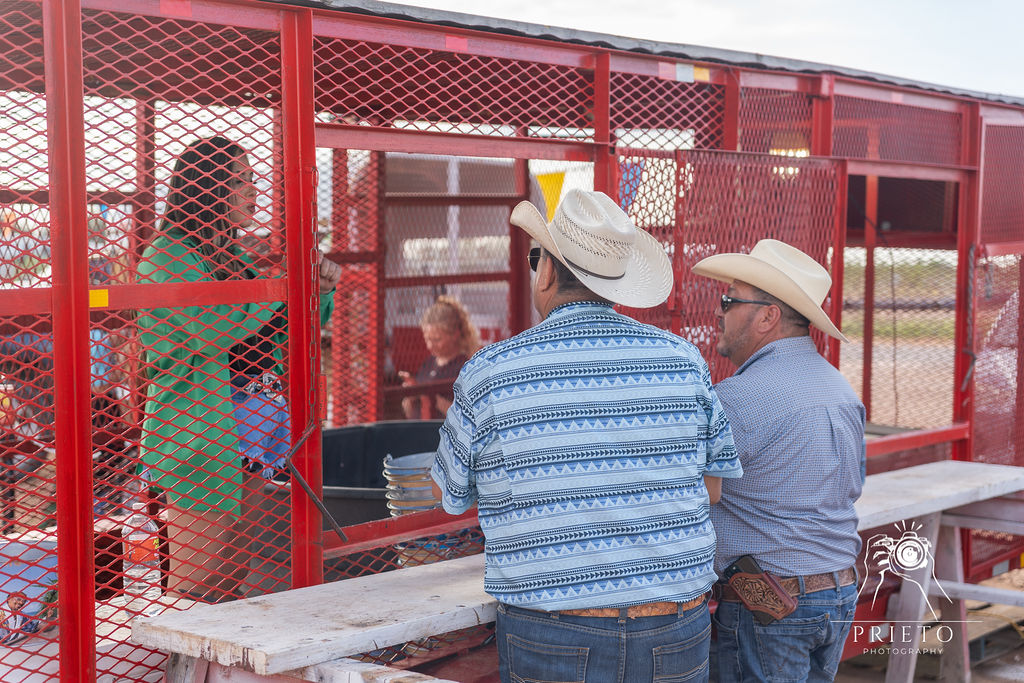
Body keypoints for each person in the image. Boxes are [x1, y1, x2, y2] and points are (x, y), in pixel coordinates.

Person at [430, 189, 742, 683]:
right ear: (616, 281)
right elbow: (714, 487)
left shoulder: (490, 372)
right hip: (674, 624)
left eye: (536, 259)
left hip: (552, 631)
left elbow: (448, 495)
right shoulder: (684, 361)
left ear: (548, 271)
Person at [138, 136, 341, 601]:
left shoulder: (233, 258)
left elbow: (285, 327)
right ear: (209, 187)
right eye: (242, 181)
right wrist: (284, 286)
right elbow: (216, 327)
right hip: (199, 442)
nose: (253, 192)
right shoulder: (165, 257)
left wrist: (318, 289)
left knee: (234, 577)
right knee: (195, 592)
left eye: (253, 180)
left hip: (252, 436)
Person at [691, 239, 863, 683]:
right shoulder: (839, 389)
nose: (719, 311)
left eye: (730, 301)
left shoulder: (739, 398)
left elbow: (683, 488)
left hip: (771, 606)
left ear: (768, 316)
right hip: (837, 590)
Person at [400, 296, 480, 420]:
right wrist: (411, 395)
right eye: (428, 339)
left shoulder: (464, 368)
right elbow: (410, 413)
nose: (430, 345)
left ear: (455, 335)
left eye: (437, 340)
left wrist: (428, 396)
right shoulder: (429, 363)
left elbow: (466, 416)